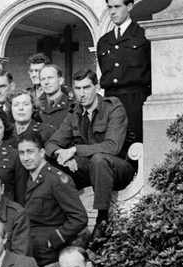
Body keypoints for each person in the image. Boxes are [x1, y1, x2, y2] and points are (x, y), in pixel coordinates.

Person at [45, 68, 135, 229]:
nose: (82, 93)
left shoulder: (113, 107)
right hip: (89, 168)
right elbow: (51, 144)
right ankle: (62, 217)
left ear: (97, 87)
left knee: (99, 159)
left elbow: (112, 147)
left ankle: (102, 222)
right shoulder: (75, 113)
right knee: (48, 161)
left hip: (119, 168)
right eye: (77, 89)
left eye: (86, 88)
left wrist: (74, 150)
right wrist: (63, 155)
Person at [13, 138, 88, 267]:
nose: (25, 158)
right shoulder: (27, 178)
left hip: (47, 251)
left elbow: (79, 218)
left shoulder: (57, 179)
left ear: (42, 153)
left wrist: (53, 239)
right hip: (30, 245)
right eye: (21, 153)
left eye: (30, 152)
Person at [95, 0, 151, 144]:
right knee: (112, 145)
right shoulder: (104, 41)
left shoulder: (143, 35)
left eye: (117, 6)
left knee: (137, 146)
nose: (112, 12)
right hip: (110, 101)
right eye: (109, 7)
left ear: (129, 7)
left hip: (136, 101)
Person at [33, 63, 74, 145]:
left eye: (50, 78)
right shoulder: (35, 106)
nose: (46, 82)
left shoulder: (73, 106)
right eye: (43, 79)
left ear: (61, 80)